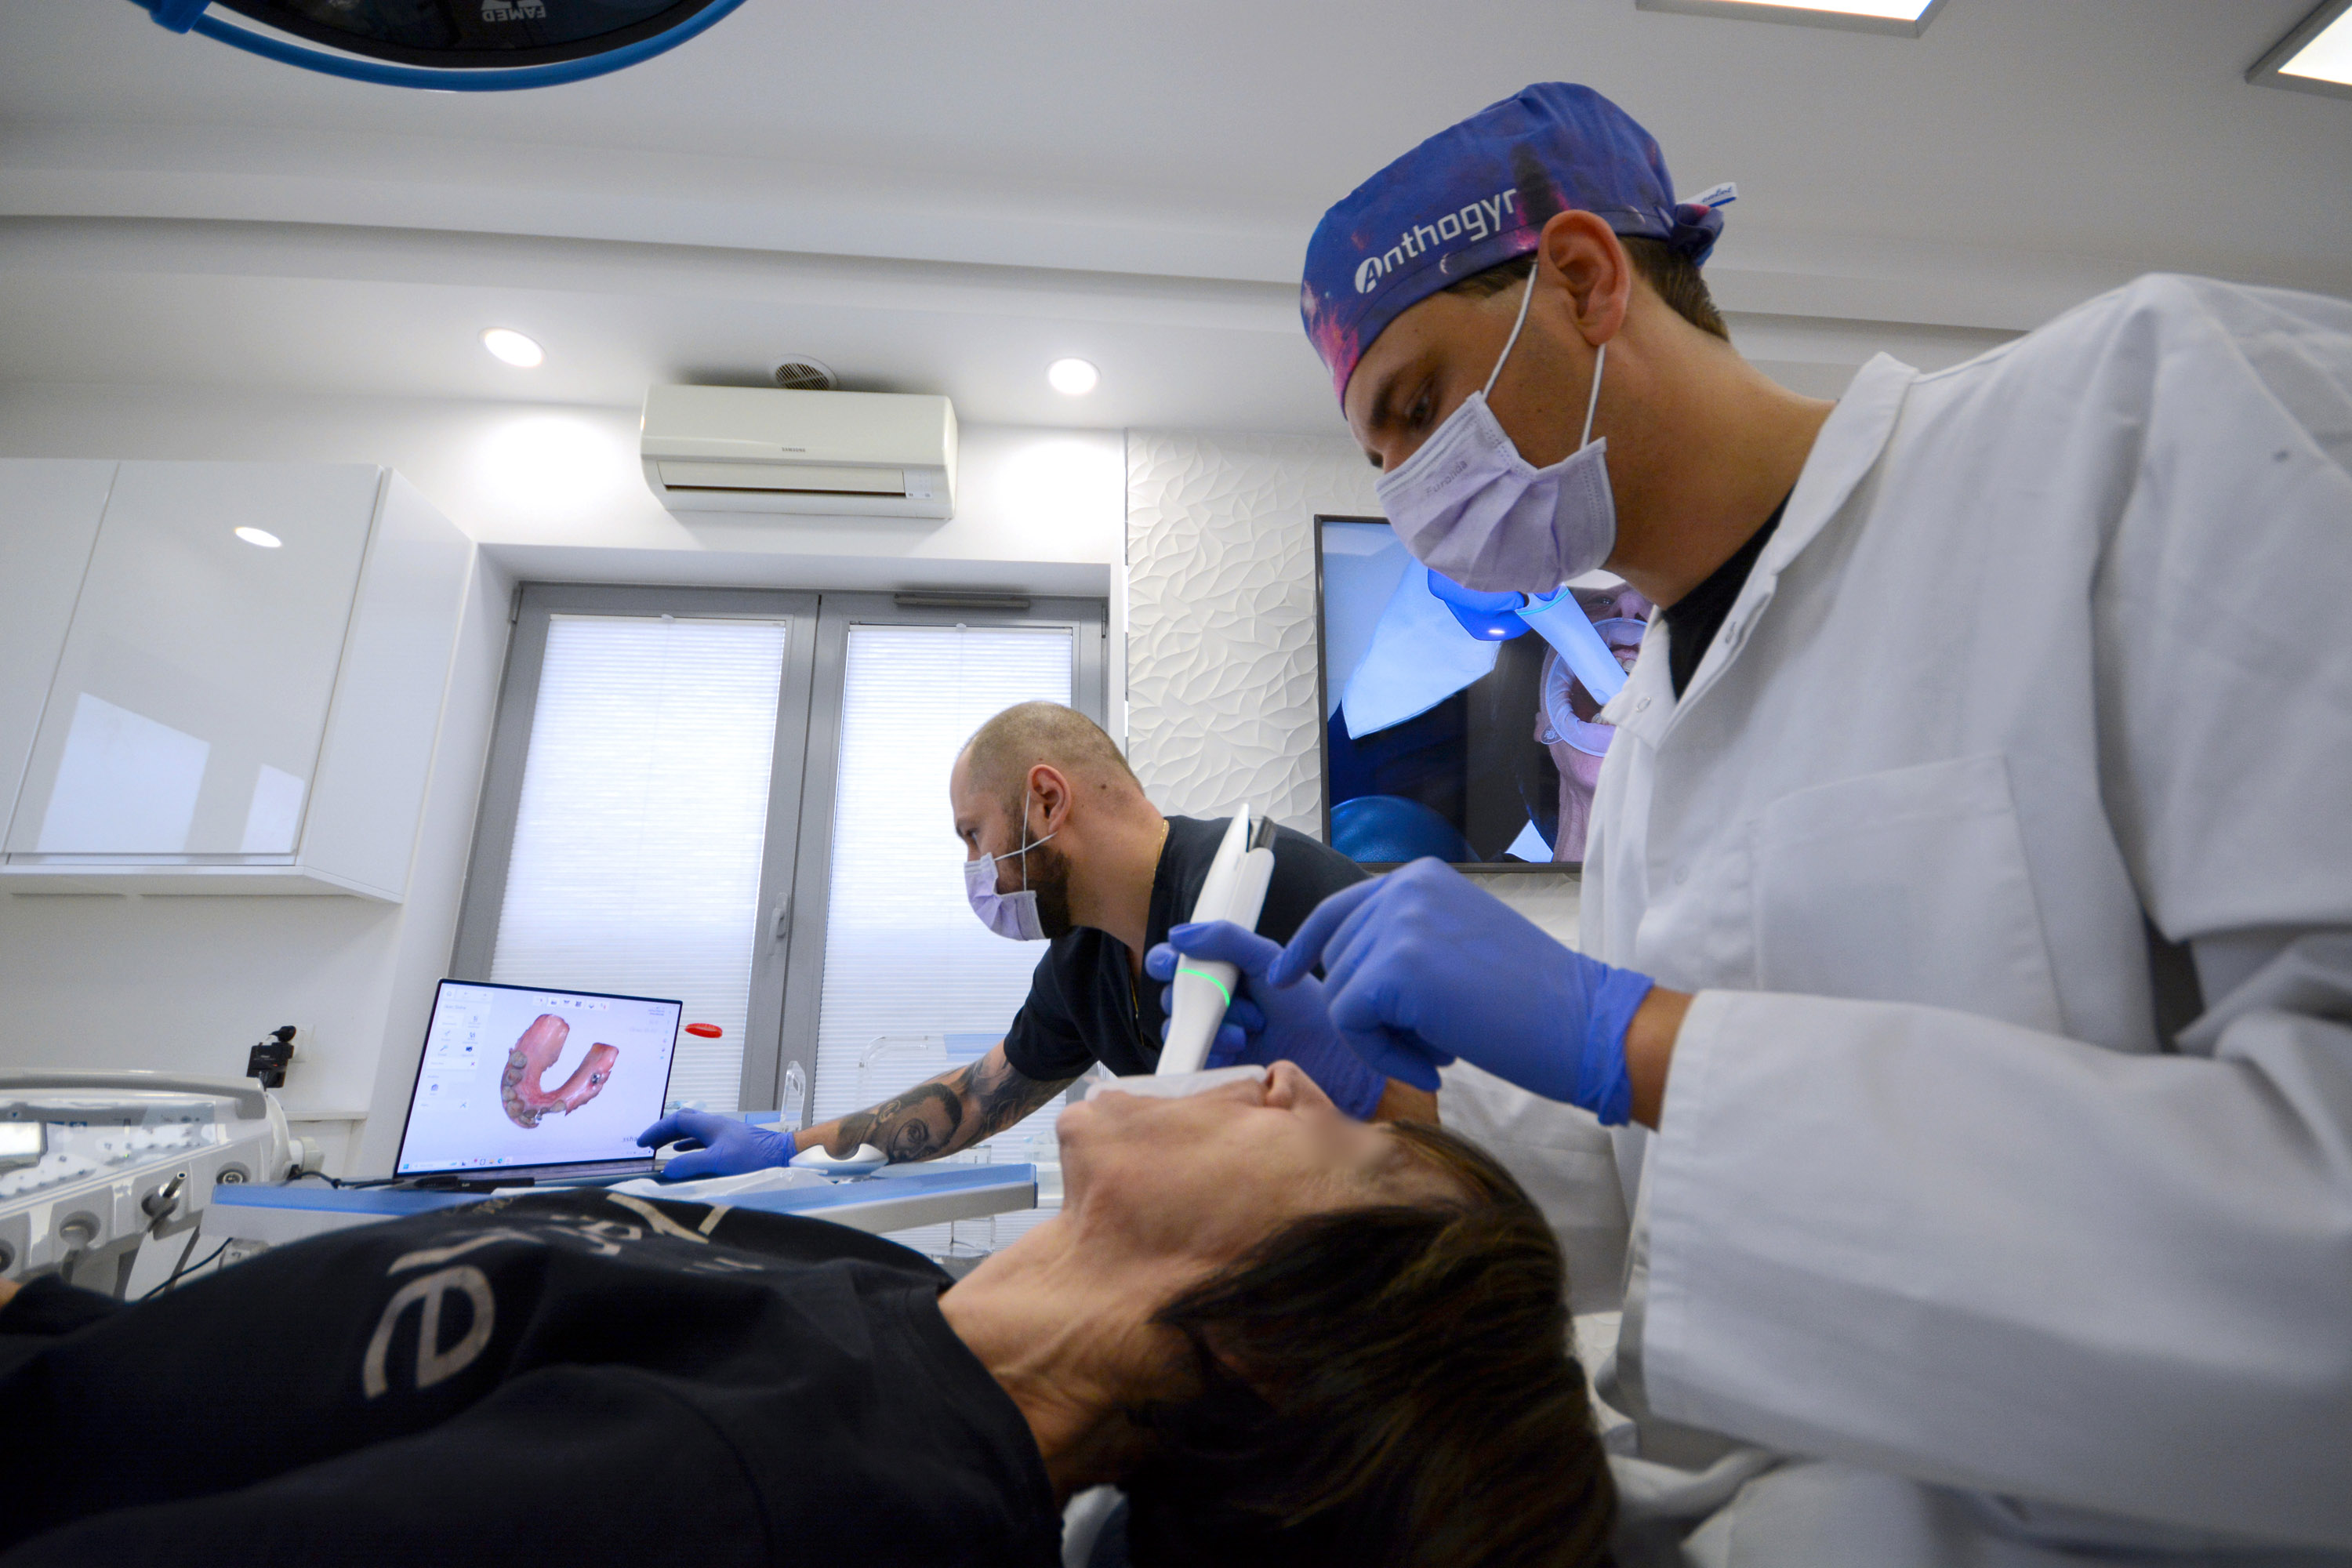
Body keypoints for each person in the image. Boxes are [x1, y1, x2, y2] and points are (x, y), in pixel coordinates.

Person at [1165, 82, 2352, 1556]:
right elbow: (1672, 1202)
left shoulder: (2137, 419)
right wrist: (1414, 1111)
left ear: (1585, 280)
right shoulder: (1650, 743)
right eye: (1379, 458)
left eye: (1417, 407)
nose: (1411, 491)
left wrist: (1633, 1039)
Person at [0, 1065, 1610, 1568]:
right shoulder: (905, 1307)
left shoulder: (770, 1497)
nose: (1296, 1075)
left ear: (1269, 1338)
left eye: (1358, 1151)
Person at [641, 701, 1434, 1179]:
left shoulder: (1270, 884)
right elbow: (973, 1099)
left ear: (1047, 799)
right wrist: (784, 1146)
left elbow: (1446, 1139)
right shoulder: (1083, 958)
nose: (973, 866)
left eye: (972, 834)